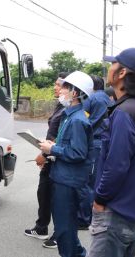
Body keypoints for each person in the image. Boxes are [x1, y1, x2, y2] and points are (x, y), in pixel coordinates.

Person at [88, 48, 135, 257]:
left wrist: (99, 199)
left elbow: (116, 166)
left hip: (117, 213)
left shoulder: (125, 113)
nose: (109, 68)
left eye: (113, 64)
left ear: (121, 73)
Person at [39, 71, 94, 257]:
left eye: (64, 87)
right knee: (66, 228)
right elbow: (69, 147)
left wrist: (52, 150)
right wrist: (53, 146)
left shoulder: (78, 120)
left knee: (64, 230)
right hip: (63, 178)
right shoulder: (69, 115)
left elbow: (78, 153)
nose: (60, 90)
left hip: (68, 182)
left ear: (75, 93)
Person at [24, 72, 68, 249]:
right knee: (43, 193)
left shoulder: (70, 111)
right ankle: (41, 227)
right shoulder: (60, 105)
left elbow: (63, 136)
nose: (55, 87)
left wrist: (44, 154)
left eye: (59, 85)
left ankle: (60, 235)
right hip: (50, 153)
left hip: (57, 156)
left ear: (70, 89)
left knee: (58, 198)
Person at [77, 75, 113, 229]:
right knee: (96, 180)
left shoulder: (91, 99)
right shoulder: (107, 98)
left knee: (88, 183)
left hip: (93, 143)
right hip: (103, 143)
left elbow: (84, 122)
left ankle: (84, 219)